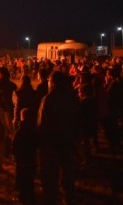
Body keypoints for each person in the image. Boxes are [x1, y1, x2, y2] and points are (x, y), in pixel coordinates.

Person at [37, 71, 81, 204]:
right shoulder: (72, 97)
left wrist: (41, 141)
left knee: (51, 173)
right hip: (68, 140)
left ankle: (51, 198)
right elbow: (78, 120)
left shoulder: (48, 99)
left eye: (49, 81)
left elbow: (41, 123)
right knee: (68, 171)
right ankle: (69, 197)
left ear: (53, 82)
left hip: (52, 142)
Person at [12, 108, 37, 204]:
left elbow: (14, 145)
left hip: (21, 161)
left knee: (21, 179)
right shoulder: (34, 130)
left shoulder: (19, 131)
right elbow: (37, 143)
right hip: (31, 160)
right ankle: (31, 196)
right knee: (30, 179)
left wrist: (14, 154)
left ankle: (22, 197)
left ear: (22, 117)